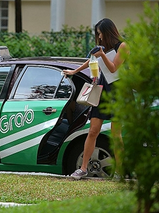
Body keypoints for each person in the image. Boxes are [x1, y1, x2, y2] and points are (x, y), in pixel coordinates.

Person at [62, 18, 128, 179]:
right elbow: (91, 61)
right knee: (92, 131)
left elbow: (113, 68)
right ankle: (83, 168)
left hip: (119, 92)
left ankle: (120, 171)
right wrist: (74, 72)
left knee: (116, 133)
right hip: (103, 92)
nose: (99, 37)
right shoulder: (102, 48)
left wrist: (102, 55)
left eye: (100, 34)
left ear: (108, 32)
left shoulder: (123, 46)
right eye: (97, 34)